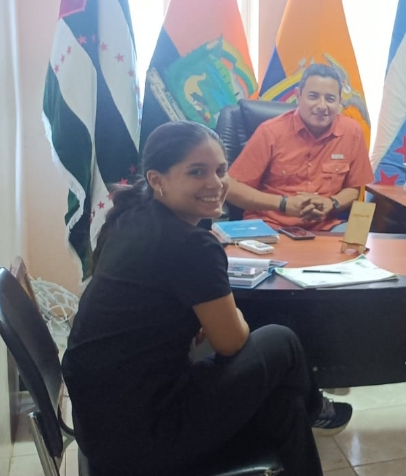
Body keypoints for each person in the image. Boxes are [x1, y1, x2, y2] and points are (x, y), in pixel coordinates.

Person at [62, 121, 352, 476]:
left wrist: (201, 317)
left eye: (220, 170)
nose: (215, 184)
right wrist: (222, 318)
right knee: (282, 340)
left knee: (284, 406)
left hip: (102, 426)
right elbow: (232, 341)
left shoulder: (130, 217)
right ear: (157, 179)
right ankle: (317, 409)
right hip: (144, 437)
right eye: (197, 172)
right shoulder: (191, 246)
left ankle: (309, 411)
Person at [227, 63, 374, 232]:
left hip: (325, 227)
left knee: (363, 243)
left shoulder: (352, 132)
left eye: (330, 99)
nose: (322, 106)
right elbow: (232, 188)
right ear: (298, 96)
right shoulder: (270, 132)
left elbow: (354, 189)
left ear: (340, 101)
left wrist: (331, 203)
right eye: (313, 96)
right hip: (270, 225)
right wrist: (283, 204)